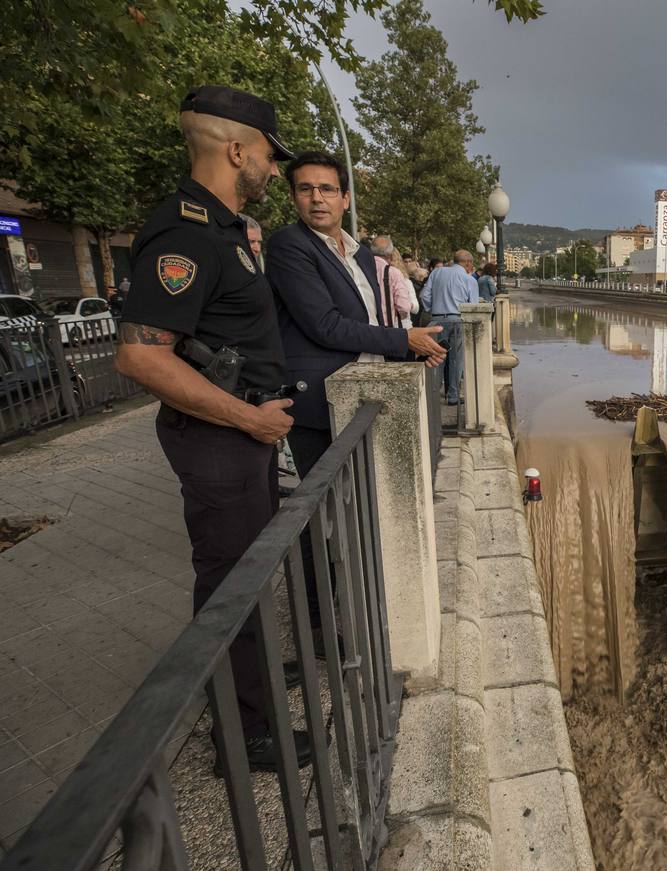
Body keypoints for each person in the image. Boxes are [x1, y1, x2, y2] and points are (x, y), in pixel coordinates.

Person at [113, 85, 305, 773]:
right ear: (235, 150)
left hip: (240, 433)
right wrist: (248, 416)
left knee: (247, 574)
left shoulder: (222, 228)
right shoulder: (186, 231)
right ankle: (243, 735)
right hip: (222, 438)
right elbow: (140, 354)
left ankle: (248, 688)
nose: (273, 170)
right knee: (230, 586)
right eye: (267, 156)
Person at [265, 150, 445, 482]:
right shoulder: (288, 245)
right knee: (329, 512)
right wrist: (404, 338)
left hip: (367, 392)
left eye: (327, 189)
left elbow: (368, 323)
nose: (317, 198)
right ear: (293, 197)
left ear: (345, 199)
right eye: (306, 189)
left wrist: (412, 350)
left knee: (367, 499)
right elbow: (325, 325)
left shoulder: (360, 254)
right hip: (322, 402)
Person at [420, 249, 479, 404]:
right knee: (455, 360)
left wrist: (433, 309)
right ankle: (452, 396)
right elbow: (473, 307)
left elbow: (424, 295)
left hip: (436, 321)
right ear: (467, 263)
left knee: (436, 358)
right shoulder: (469, 279)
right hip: (458, 321)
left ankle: (432, 394)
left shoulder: (436, 273)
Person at [369, 234, 417, 327]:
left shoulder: (362, 269)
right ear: (390, 253)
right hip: (388, 327)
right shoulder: (393, 273)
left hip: (366, 327)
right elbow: (404, 307)